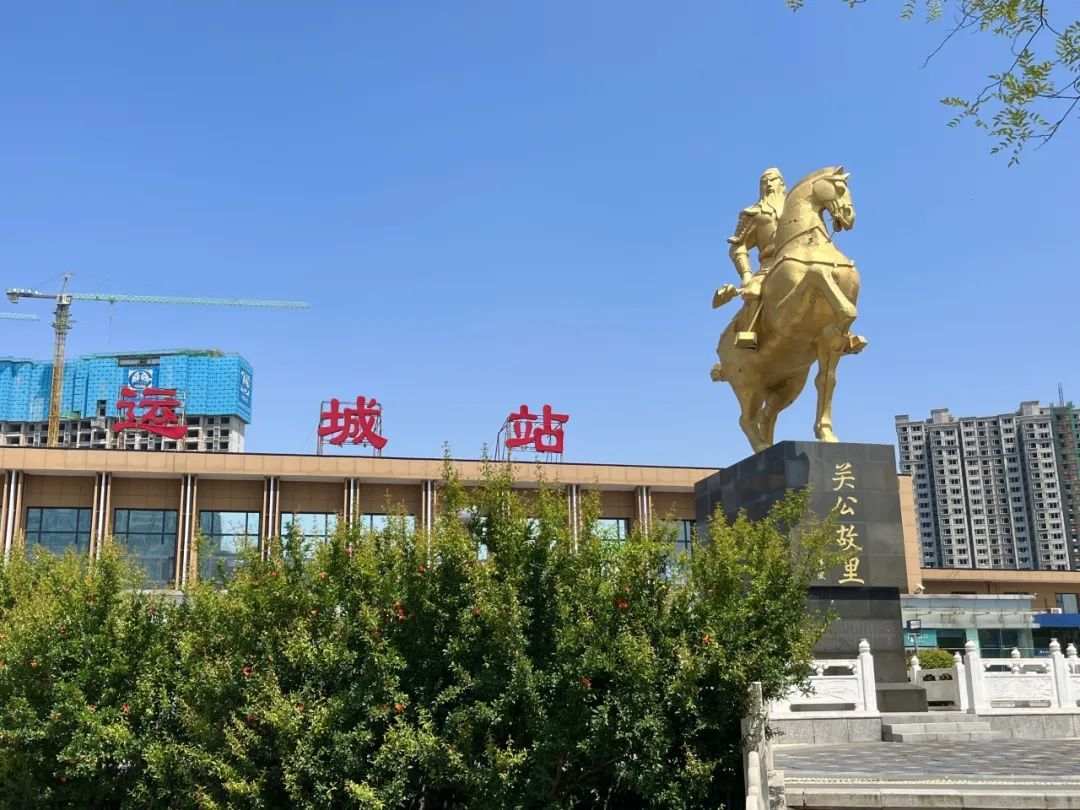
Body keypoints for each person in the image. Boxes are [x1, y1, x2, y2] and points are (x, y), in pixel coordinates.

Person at [713, 167, 786, 349]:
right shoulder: (754, 213)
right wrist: (746, 274)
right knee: (753, 292)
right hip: (769, 267)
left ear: (782, 183)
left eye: (773, 179)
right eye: (764, 182)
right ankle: (749, 333)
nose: (768, 184)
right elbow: (738, 246)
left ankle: (841, 331)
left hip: (801, 258)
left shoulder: (798, 207)